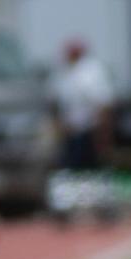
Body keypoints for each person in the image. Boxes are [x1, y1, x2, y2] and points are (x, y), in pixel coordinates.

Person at [50, 39, 116, 173]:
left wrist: (102, 132)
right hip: (71, 131)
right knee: (73, 167)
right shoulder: (67, 72)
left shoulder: (90, 72)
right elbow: (58, 102)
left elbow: (103, 103)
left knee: (88, 168)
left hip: (88, 131)